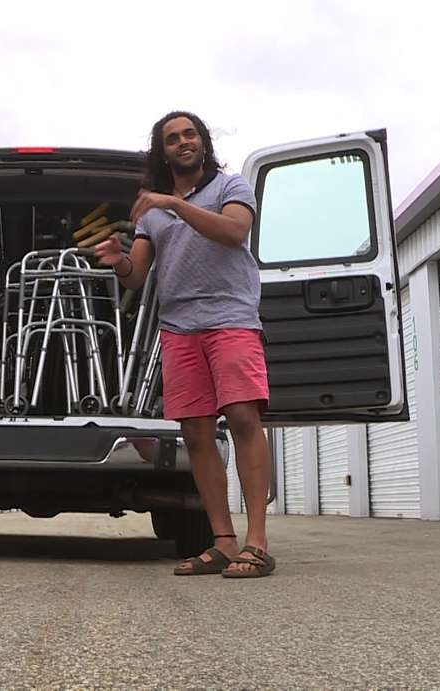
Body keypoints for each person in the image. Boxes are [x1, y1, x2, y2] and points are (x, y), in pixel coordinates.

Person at [95, 111, 274, 578]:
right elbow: (137, 274)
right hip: (178, 327)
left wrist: (174, 206)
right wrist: (118, 261)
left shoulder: (230, 187)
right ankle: (222, 541)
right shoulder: (151, 212)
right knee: (195, 432)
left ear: (203, 142)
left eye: (189, 134)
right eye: (172, 138)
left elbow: (235, 231)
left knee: (241, 416)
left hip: (231, 318)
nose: (182, 142)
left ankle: (257, 541)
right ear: (163, 151)